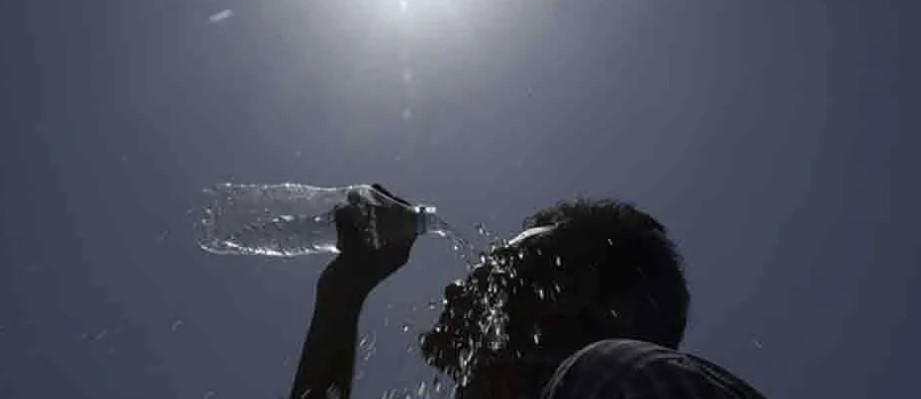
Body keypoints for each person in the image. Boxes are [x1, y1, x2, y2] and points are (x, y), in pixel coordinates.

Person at [289, 185, 766, 399]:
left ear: (574, 294)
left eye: (502, 266)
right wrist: (344, 290)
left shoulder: (611, 375)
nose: (458, 286)